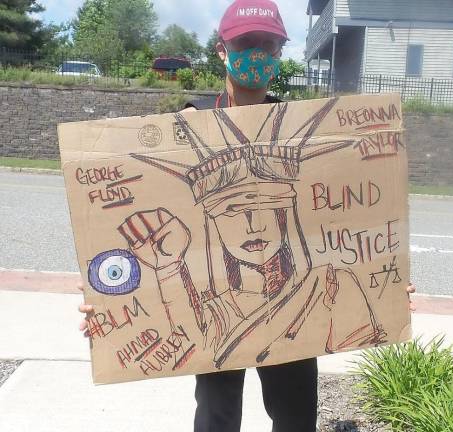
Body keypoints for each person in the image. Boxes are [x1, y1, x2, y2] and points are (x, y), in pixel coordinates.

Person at [79, 1, 417, 431]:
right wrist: (107, 298)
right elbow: (133, 218)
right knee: (216, 415)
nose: (256, 54)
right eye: (245, 43)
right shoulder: (186, 126)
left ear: (279, 54)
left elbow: (356, 224)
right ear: (222, 50)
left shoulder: (296, 126)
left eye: (267, 45)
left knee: (296, 416)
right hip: (219, 299)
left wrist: (386, 279)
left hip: (296, 301)